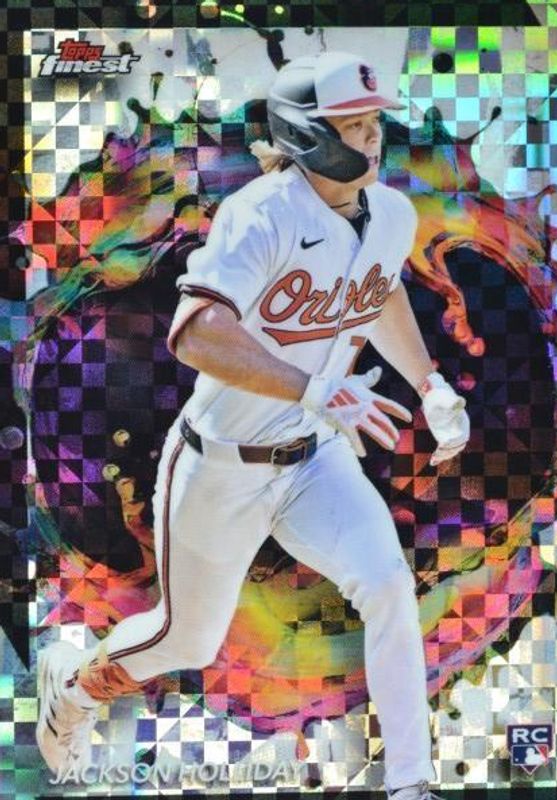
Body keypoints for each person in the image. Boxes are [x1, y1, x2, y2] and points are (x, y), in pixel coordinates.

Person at [36, 51, 470, 800]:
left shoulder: (391, 213)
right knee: (187, 639)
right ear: (306, 133)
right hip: (220, 462)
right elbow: (196, 334)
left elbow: (380, 288)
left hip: (315, 460)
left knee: (388, 586)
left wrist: (430, 383)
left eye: (374, 121)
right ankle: (73, 689)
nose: (372, 137)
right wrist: (313, 387)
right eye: (352, 124)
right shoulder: (261, 214)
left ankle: (410, 784)